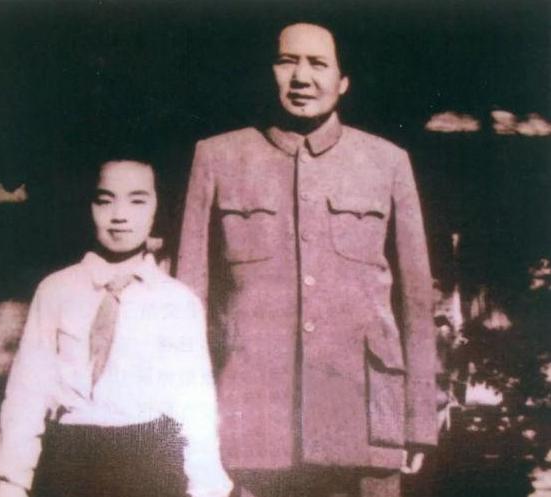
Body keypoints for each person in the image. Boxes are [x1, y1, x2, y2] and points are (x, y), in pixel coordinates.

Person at [177, 22, 437, 497]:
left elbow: (416, 302)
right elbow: (188, 300)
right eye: (287, 61)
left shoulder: (387, 162)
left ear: (343, 80)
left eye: (318, 64)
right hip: (252, 418)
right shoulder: (217, 157)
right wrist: (183, 414)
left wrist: (419, 420)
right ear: (269, 72)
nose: (301, 77)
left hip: (363, 419)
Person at [0, 157, 233, 497]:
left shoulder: (178, 302)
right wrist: (11, 480)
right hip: (67, 460)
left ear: (158, 207)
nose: (119, 215)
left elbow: (195, 402)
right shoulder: (56, 290)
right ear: (88, 206)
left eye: (137, 200)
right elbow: (27, 390)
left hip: (148, 463)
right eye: (105, 200)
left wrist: (206, 486)